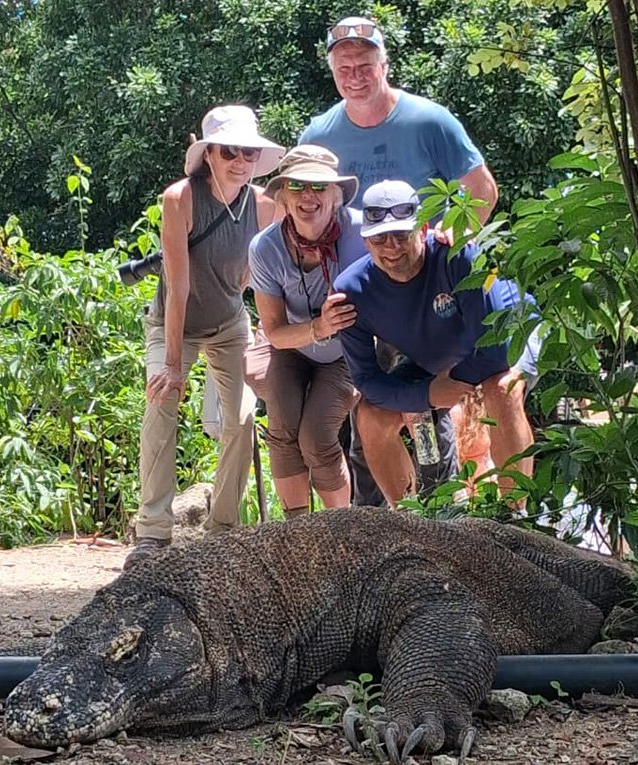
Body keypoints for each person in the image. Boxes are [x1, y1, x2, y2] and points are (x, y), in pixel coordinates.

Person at [299, 15, 499, 505]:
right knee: (370, 414)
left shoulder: (428, 120)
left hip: (426, 285)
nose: (354, 74)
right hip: (361, 296)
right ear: (332, 70)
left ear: (384, 63)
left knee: (429, 408)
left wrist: (459, 233)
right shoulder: (321, 132)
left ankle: (442, 512)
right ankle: (381, 524)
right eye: (344, 65)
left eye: (364, 64)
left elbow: (482, 190)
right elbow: (299, 202)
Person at [126, 105, 284, 569]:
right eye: (230, 151)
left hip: (230, 323)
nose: (240, 161)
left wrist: (265, 326)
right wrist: (173, 365)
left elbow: (264, 273)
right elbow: (178, 287)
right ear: (209, 154)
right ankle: (153, 532)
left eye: (249, 153)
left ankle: (223, 530)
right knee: (161, 401)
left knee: (241, 416)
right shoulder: (180, 198)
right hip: (173, 321)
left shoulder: (265, 204)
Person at [332, 180, 540, 506]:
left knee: (503, 388)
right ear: (365, 240)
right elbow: (366, 380)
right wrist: (426, 394)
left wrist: (451, 384)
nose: (391, 247)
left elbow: (496, 349)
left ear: (424, 227)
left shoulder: (458, 256)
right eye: (379, 238)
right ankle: (412, 518)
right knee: (372, 416)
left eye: (401, 235)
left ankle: (515, 515)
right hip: (437, 363)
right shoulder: (350, 291)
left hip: (509, 336)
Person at [243, 146, 366, 517]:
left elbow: (410, 249)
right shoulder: (265, 249)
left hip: (348, 352)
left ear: (337, 195)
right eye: (297, 186)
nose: (308, 196)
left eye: (319, 186)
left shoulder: (363, 232)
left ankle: (339, 531)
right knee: (282, 427)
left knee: (315, 436)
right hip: (292, 348)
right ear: (282, 196)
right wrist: (319, 326)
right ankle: (297, 534)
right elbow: (275, 331)